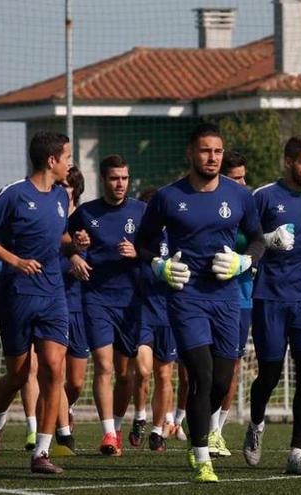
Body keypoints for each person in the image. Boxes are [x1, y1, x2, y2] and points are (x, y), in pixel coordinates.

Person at [136, 123, 264, 482]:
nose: (213, 158)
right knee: (202, 375)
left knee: (222, 382)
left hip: (226, 298)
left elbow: (257, 239)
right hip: (186, 296)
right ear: (190, 153)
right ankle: (201, 456)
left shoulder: (240, 197)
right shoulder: (166, 197)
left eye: (218, 151)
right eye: (206, 151)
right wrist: (159, 266)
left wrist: (244, 261)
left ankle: (197, 430)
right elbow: (143, 244)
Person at [0, 130, 81, 474]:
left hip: (52, 295)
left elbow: (57, 236)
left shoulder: (63, 197)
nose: (70, 164)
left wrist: (74, 242)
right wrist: (15, 261)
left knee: (53, 368)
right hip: (17, 294)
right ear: (52, 160)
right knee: (18, 376)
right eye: (67, 157)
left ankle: (41, 453)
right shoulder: (15, 194)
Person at [243, 135, 301, 476]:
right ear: (288, 162)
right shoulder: (264, 196)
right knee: (268, 375)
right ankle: (255, 425)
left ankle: (296, 454)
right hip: (270, 296)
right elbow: (242, 237)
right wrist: (267, 240)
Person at [67, 154, 146, 456]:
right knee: (103, 366)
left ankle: (118, 422)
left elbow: (156, 248)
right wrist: (75, 252)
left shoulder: (142, 211)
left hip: (130, 301)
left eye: (124, 178)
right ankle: (109, 434)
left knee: (125, 373)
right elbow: (63, 240)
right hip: (96, 297)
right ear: (103, 180)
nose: (120, 184)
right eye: (115, 178)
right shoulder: (86, 213)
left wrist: (138, 252)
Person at [207, 150, 252, 457]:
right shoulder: (210, 204)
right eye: (237, 178)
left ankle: (216, 431)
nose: (243, 182)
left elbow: (258, 240)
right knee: (203, 367)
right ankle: (196, 421)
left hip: (243, 299)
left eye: (244, 177)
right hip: (207, 296)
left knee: (231, 367)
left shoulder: (249, 204)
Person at [134, 188, 178, 453]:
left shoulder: (178, 235)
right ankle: (139, 415)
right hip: (143, 312)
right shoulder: (140, 238)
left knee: (164, 374)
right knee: (143, 370)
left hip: (170, 313)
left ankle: (157, 429)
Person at [52, 166, 86, 456]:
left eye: (66, 185)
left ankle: (67, 407)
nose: (62, 189)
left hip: (79, 307)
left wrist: (82, 255)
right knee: (54, 371)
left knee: (75, 381)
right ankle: (62, 435)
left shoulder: (84, 221)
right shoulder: (48, 219)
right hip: (53, 304)